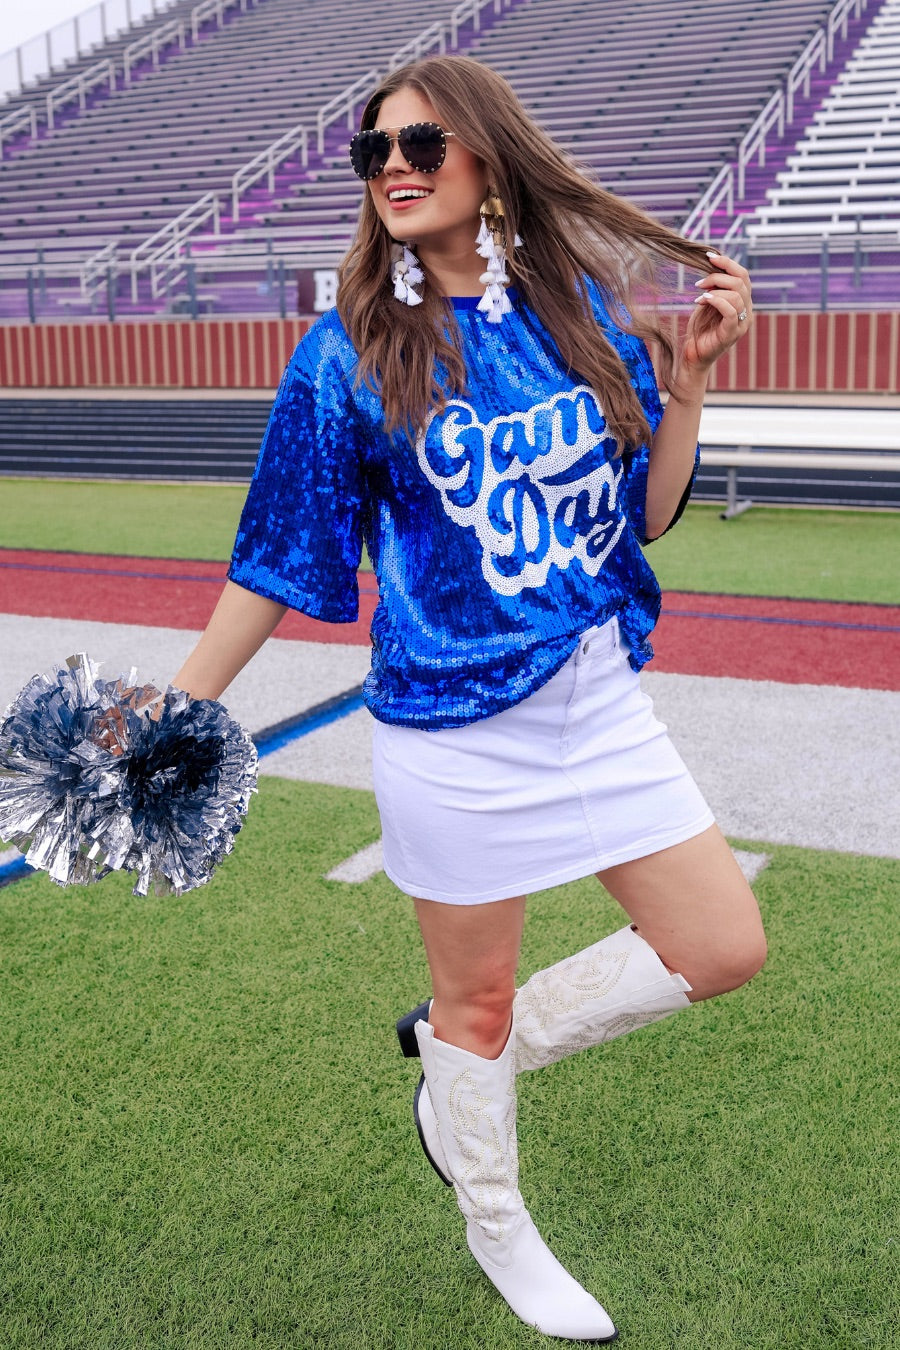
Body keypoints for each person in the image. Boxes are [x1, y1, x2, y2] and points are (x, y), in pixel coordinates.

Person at [174, 55, 765, 1344]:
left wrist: (690, 384)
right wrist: (174, 715)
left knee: (724, 948)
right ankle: (495, 1210)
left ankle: (457, 1072)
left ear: (488, 162)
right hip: (451, 735)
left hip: (600, 704)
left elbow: (643, 521)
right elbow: (272, 564)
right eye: (374, 151)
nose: (394, 165)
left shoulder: (578, 319)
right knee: (478, 1001)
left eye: (423, 144)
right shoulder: (347, 358)